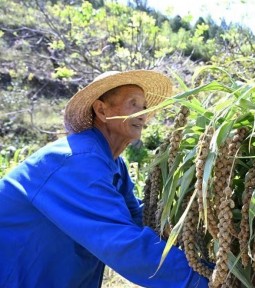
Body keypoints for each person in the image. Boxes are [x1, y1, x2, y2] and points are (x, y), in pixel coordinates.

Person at [0, 70, 209, 287]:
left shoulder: (113, 164)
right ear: (101, 110)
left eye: (144, 107)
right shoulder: (77, 161)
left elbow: (139, 218)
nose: (142, 114)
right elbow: (121, 242)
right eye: (133, 103)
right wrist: (206, 281)